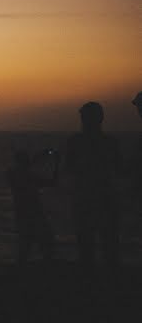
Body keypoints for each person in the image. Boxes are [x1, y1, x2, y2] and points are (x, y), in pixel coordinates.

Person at [64, 101, 121, 269]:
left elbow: (69, 168)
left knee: (92, 242)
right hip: (102, 196)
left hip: (90, 197)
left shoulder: (75, 142)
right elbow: (119, 168)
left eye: (84, 117)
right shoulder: (110, 142)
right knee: (104, 243)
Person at [7, 149, 59, 265]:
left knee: (27, 243)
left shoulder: (15, 174)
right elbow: (53, 182)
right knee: (43, 241)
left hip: (24, 213)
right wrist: (56, 163)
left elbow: (52, 182)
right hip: (33, 213)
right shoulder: (24, 175)